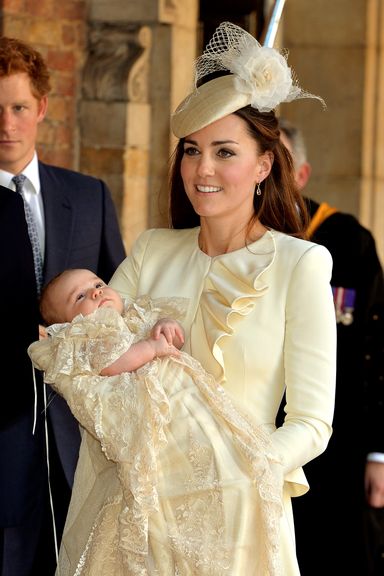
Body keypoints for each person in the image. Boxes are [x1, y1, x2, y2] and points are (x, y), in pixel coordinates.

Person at [111, 21, 337, 574]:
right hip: (140, 516)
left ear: (264, 165)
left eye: (224, 152)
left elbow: (312, 422)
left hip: (242, 522)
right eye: (191, 151)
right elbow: (91, 355)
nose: (202, 169)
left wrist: (248, 468)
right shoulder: (151, 251)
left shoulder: (301, 264)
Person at [28, 268, 284, 575]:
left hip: (189, 407)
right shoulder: (81, 340)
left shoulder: (134, 315)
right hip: (152, 425)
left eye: (97, 284)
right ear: (66, 324)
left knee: (227, 465)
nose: (96, 292)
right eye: (80, 296)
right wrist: (149, 349)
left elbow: (161, 327)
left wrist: (164, 325)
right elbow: (109, 363)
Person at [0, 37, 126, 575]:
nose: (6, 123)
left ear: (42, 109)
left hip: (81, 432)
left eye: (19, 107)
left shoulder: (90, 194)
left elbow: (120, 298)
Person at [278, 117, 384, 575]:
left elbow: (377, 346)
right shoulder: (241, 241)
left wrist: (378, 453)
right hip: (266, 435)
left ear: (301, 175)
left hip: (338, 442)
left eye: (278, 166)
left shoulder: (349, 241)